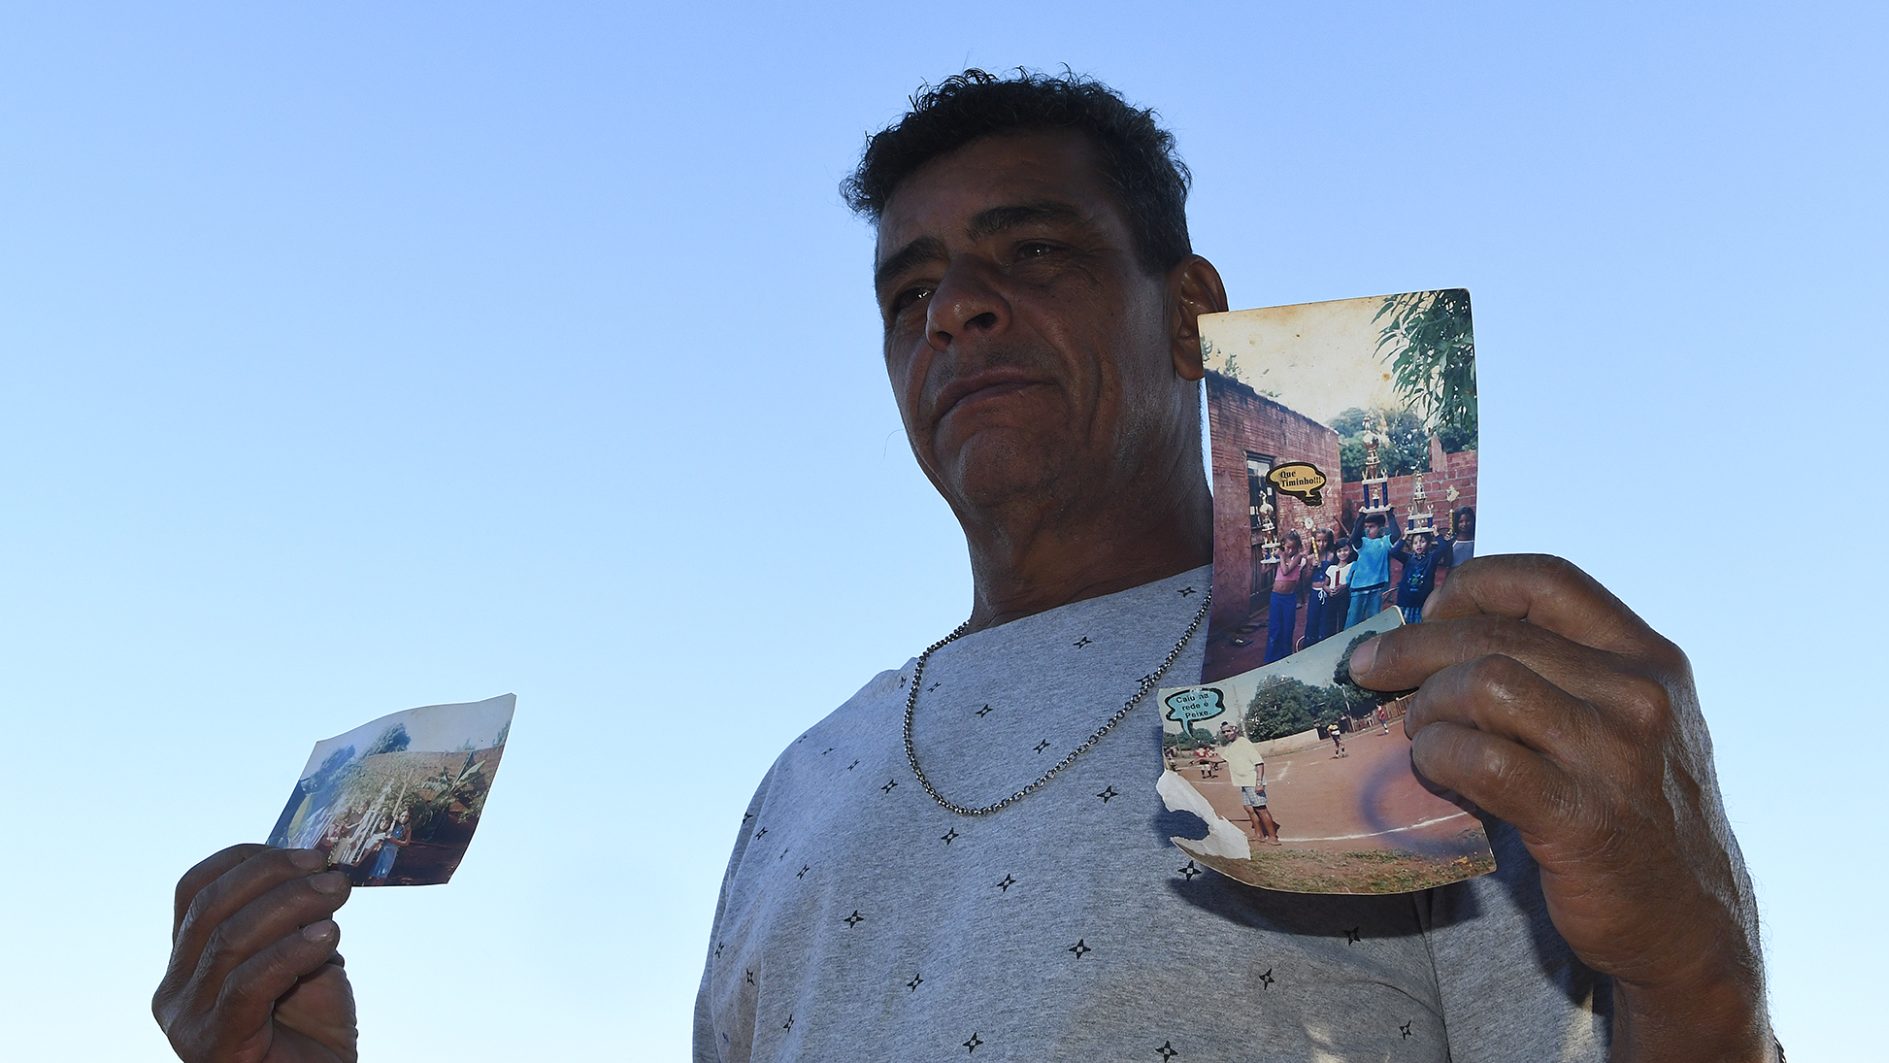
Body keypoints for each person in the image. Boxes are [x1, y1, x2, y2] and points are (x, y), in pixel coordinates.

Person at [154, 70, 1775, 1063]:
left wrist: (1697, 966)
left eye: (1033, 251)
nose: (955, 310)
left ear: (1192, 312)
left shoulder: (1392, 671)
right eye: (907, 289)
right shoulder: (801, 781)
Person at [1213, 721, 1278, 844]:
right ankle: (1259, 835)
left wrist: (1259, 783)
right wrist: (1202, 758)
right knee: (1249, 808)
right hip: (1244, 782)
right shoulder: (1231, 746)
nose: (1226, 734)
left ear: (1236, 730)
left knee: (1261, 809)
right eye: (1224, 732)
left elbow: (1259, 763)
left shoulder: (1244, 743)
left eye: (1229, 731)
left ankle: (1273, 837)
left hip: (1253, 781)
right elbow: (1221, 758)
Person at [1346, 509, 1399, 627]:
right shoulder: (1362, 543)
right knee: (1353, 620)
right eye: (1366, 527)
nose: (1368, 530)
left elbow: (1396, 534)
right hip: (1359, 588)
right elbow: (1354, 538)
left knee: (1374, 621)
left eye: (1372, 527)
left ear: (1380, 528)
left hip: (1377, 588)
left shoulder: (1384, 542)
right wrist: (1361, 516)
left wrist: (1390, 514)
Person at [1263, 530, 1308, 662]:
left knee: (1288, 627)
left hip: (1289, 598)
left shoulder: (1298, 557)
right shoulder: (1280, 557)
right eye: (1288, 547)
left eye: (1293, 547)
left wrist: (1282, 556)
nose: (1290, 550)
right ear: (1283, 544)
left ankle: (1285, 655)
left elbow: (1286, 571)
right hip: (1276, 597)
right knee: (1274, 627)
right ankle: (1271, 658)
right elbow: (1264, 571)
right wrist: (1266, 558)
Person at [1389, 529, 1450, 624]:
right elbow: (1394, 552)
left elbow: (1443, 547)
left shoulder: (1431, 559)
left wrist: (1436, 533)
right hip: (1405, 601)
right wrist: (1405, 537)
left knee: (1419, 627)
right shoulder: (1407, 558)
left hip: (1422, 602)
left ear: (1428, 544)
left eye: (1422, 542)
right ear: (1411, 546)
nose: (1419, 545)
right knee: (1404, 626)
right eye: (1415, 543)